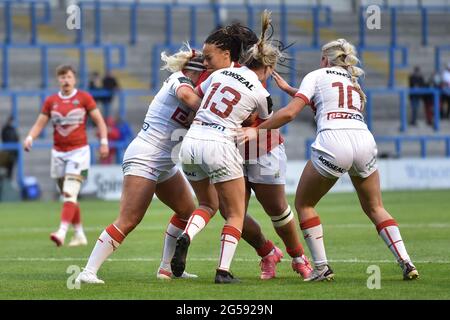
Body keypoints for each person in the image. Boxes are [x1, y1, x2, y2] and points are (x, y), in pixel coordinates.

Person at [242, 38, 419, 281]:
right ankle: (406, 262)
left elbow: (291, 112)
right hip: (364, 141)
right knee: (375, 207)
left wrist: (257, 130)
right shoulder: (354, 82)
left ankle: (322, 268)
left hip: (333, 142)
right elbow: (330, 103)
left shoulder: (316, 75)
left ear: (325, 59)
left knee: (304, 204)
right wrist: (292, 91)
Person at [171, 10, 303, 284]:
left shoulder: (228, 75)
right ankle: (266, 253)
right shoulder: (245, 80)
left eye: (209, 58)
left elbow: (197, 99)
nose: (206, 63)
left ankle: (298, 257)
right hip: (228, 147)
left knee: (275, 209)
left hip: (258, 148)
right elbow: (270, 111)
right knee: (232, 212)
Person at [75, 45, 205, 284]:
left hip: (164, 160)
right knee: (129, 219)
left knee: (187, 210)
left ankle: (166, 268)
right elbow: (188, 98)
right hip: (146, 155)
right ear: (197, 71)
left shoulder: (195, 86)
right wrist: (213, 109)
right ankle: (88, 271)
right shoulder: (179, 80)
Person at [23, 64, 109, 247]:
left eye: (68, 77)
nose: (65, 80)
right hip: (58, 154)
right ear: (58, 80)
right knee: (69, 195)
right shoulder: (51, 101)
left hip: (79, 153)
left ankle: (61, 232)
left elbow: (100, 122)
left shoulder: (84, 98)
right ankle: (79, 234)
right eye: (62, 77)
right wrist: (30, 137)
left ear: (74, 79)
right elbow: (40, 123)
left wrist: (104, 142)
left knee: (69, 193)